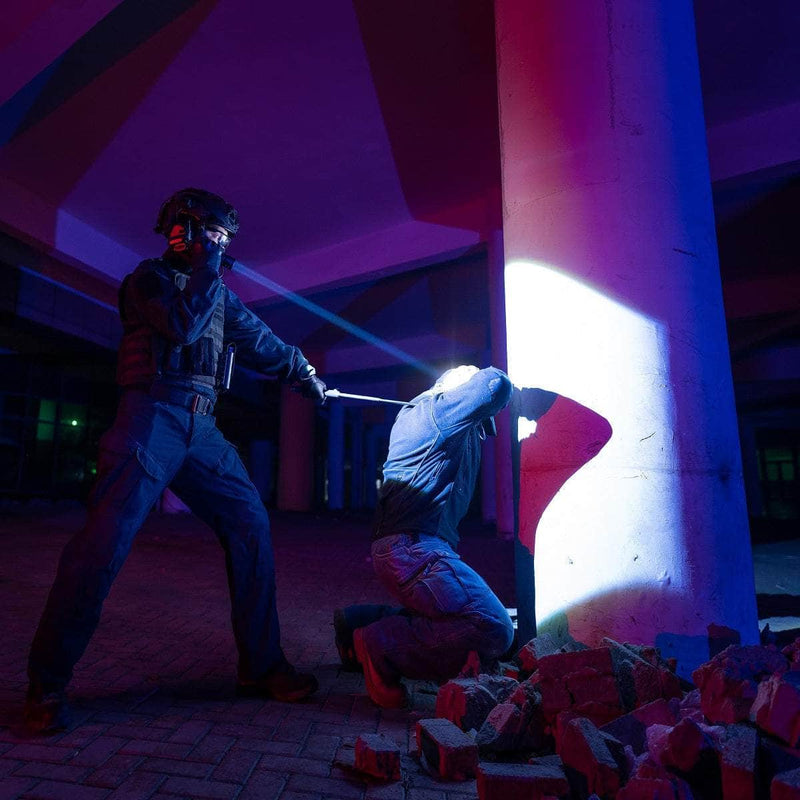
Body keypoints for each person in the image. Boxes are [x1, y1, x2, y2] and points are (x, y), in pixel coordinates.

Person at [25, 188, 327, 732]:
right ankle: (45, 689)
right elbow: (182, 326)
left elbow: (258, 340)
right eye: (213, 235)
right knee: (101, 548)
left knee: (250, 523)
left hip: (201, 428)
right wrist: (209, 266)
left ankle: (261, 667)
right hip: (149, 420)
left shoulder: (218, 294)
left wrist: (300, 373)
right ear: (182, 232)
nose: (222, 245)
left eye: (225, 239)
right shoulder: (146, 281)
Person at [335, 365, 515, 708]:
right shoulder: (435, 412)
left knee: (457, 614)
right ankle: (379, 645)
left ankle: (360, 621)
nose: (479, 434)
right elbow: (494, 385)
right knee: (493, 625)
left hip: (413, 548)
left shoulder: (442, 424)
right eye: (477, 423)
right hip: (412, 549)